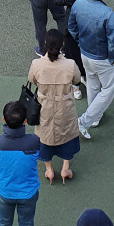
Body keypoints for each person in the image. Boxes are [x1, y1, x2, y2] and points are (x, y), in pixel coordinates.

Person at [68, 0, 114, 140]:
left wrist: (80, 41)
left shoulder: (77, 4)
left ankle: (95, 117)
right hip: (103, 57)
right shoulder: (107, 13)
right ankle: (85, 120)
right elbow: (113, 41)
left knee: (92, 83)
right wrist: (113, 58)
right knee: (108, 89)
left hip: (85, 52)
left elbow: (72, 27)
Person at [28, 29, 81, 184]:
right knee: (67, 134)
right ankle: (65, 168)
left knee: (45, 135)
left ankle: (49, 169)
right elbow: (76, 79)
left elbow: (32, 80)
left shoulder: (36, 64)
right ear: (61, 45)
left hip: (44, 107)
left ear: (45, 43)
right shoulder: (70, 64)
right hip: (64, 106)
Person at [54, 0, 101, 101]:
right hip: (88, 30)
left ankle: (76, 87)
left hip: (72, 30)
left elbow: (59, 1)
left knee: (72, 58)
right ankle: (87, 78)